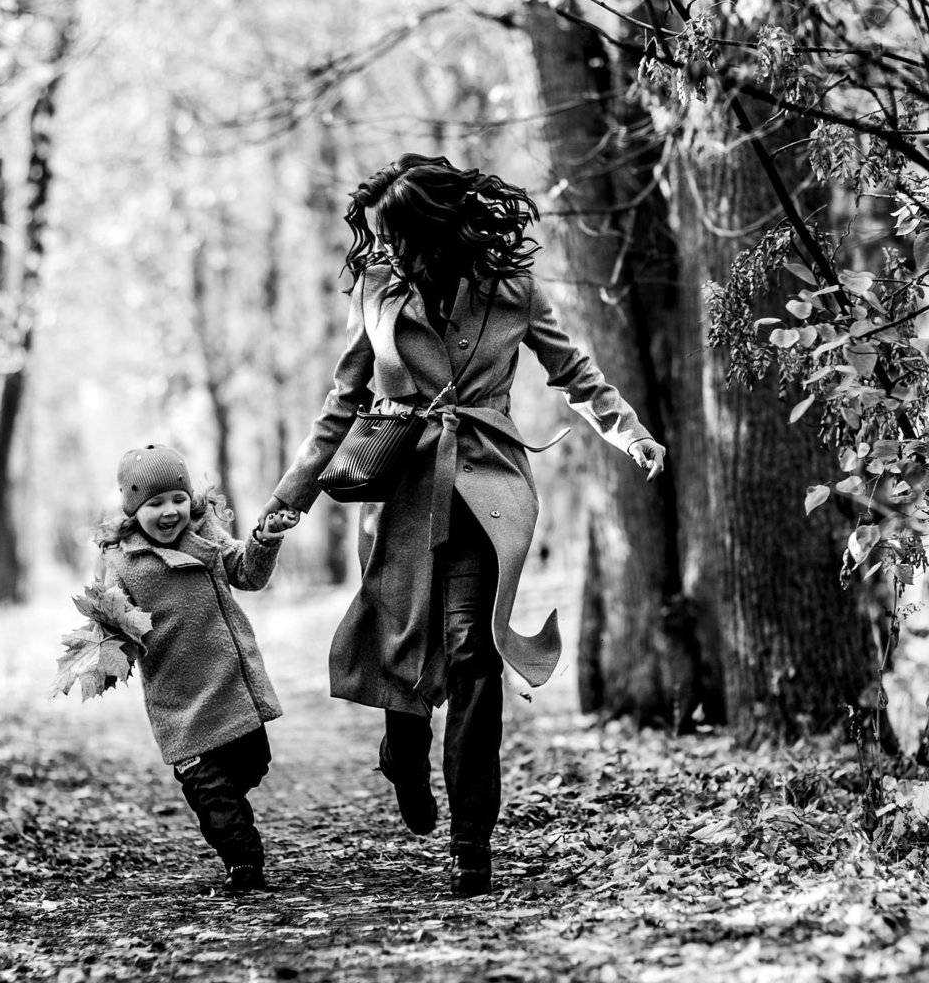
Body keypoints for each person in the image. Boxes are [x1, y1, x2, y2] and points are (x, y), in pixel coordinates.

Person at [258, 155, 665, 898]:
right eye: (380, 237)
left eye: (398, 235)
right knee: (405, 651)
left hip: (485, 487)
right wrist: (291, 500)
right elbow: (342, 403)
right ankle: (404, 756)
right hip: (402, 492)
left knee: (475, 654)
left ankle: (471, 840)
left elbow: (574, 372)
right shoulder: (376, 289)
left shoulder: (511, 288)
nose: (387, 248)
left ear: (435, 230)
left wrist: (628, 432)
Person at [94, 443, 298, 894]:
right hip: (179, 705)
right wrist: (108, 635)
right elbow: (111, 620)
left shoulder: (205, 535)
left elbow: (248, 573)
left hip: (231, 687)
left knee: (253, 765)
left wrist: (265, 539)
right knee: (212, 793)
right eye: (155, 503)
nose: (170, 511)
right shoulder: (122, 562)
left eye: (178, 498)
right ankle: (243, 863)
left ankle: (227, 808)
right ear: (132, 509)